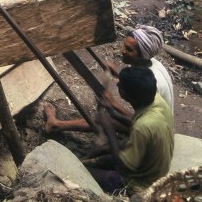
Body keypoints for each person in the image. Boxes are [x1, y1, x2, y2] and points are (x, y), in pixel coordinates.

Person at [44, 24, 173, 133]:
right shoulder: (152, 64)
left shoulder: (154, 85)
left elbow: (142, 121)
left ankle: (55, 125)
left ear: (142, 55)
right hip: (154, 119)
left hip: (155, 131)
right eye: (124, 45)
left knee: (106, 120)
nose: (122, 50)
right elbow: (137, 83)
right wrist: (117, 74)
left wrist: (114, 104)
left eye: (129, 49)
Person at [90, 66, 174, 194]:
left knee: (84, 172)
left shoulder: (142, 127)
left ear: (125, 94)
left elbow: (124, 166)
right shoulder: (157, 100)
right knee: (104, 158)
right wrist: (113, 113)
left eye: (120, 84)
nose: (117, 83)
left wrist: (109, 129)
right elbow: (137, 123)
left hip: (142, 184)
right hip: (157, 170)